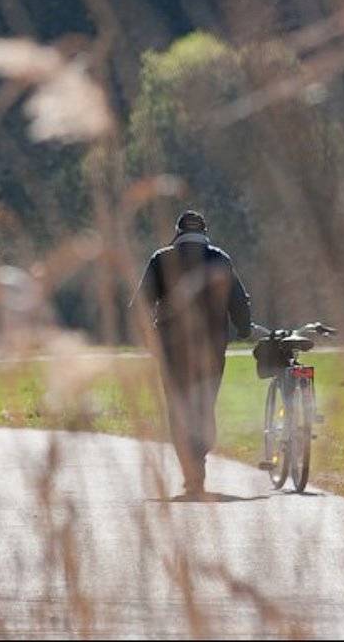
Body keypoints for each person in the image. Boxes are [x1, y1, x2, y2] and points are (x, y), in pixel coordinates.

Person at [131, 209, 252, 499]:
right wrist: (244, 328)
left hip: (171, 349)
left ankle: (191, 470)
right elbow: (238, 301)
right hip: (211, 348)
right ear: (205, 233)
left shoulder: (162, 259)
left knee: (178, 408)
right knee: (205, 403)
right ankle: (199, 460)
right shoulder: (220, 258)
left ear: (178, 233)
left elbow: (140, 305)